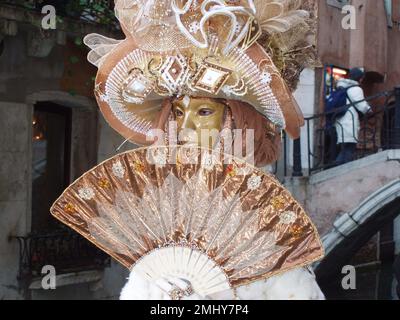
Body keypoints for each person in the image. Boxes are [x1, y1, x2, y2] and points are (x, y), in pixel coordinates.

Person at [78, 0, 325, 300]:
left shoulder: (272, 231)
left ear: (238, 121)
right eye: (179, 113)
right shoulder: (163, 226)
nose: (185, 129)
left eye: (205, 112)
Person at [335, 68, 372, 165]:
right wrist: (369, 110)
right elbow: (361, 105)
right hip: (348, 123)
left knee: (344, 149)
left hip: (341, 122)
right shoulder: (355, 89)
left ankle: (338, 169)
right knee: (348, 149)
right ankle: (339, 171)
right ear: (360, 78)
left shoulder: (342, 87)